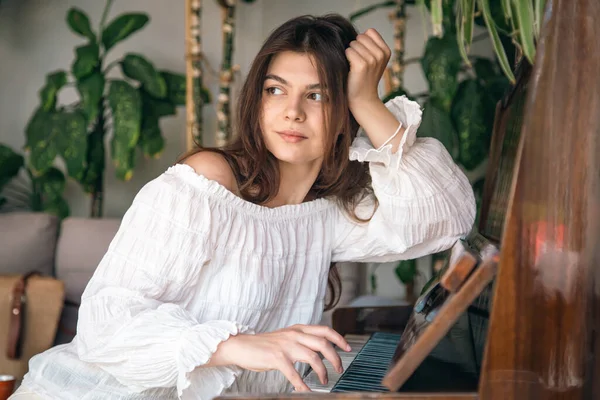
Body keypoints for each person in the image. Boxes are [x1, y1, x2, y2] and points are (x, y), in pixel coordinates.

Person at [12, 13, 475, 400]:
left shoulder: (329, 212)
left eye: (317, 95)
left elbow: (446, 220)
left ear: (343, 117)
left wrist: (367, 101)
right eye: (275, 90)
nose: (292, 111)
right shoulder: (207, 183)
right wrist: (234, 344)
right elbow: (106, 323)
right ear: (256, 100)